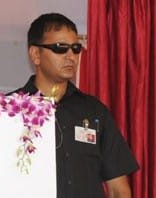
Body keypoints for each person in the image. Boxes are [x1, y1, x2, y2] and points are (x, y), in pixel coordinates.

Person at [12, 13, 138, 198]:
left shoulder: (95, 111)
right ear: (35, 54)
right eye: (60, 48)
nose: (71, 56)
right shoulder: (9, 111)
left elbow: (118, 189)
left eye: (76, 48)